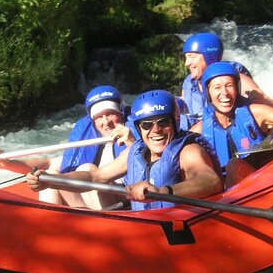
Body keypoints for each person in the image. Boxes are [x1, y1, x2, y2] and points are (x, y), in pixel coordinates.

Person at [26, 90, 223, 210]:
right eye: (146, 125)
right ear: (138, 128)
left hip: (180, 228)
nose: (155, 131)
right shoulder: (137, 150)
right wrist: (52, 181)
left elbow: (210, 180)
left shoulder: (188, 151)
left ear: (175, 122)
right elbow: (96, 177)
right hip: (147, 227)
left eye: (163, 122)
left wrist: (163, 191)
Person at [0, 85, 135, 209]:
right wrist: (7, 162)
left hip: (121, 205)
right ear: (93, 121)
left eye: (110, 114)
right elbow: (50, 162)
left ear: (121, 113)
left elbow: (139, 163)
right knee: (51, 172)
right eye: (99, 117)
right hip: (91, 205)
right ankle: (48, 225)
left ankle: (99, 227)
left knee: (86, 168)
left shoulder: (135, 138)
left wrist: (131, 142)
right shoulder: (92, 142)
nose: (106, 122)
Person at [181, 32, 273, 129]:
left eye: (192, 57)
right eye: (186, 57)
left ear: (209, 56)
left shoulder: (237, 79)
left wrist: (261, 101)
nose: (187, 63)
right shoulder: (188, 84)